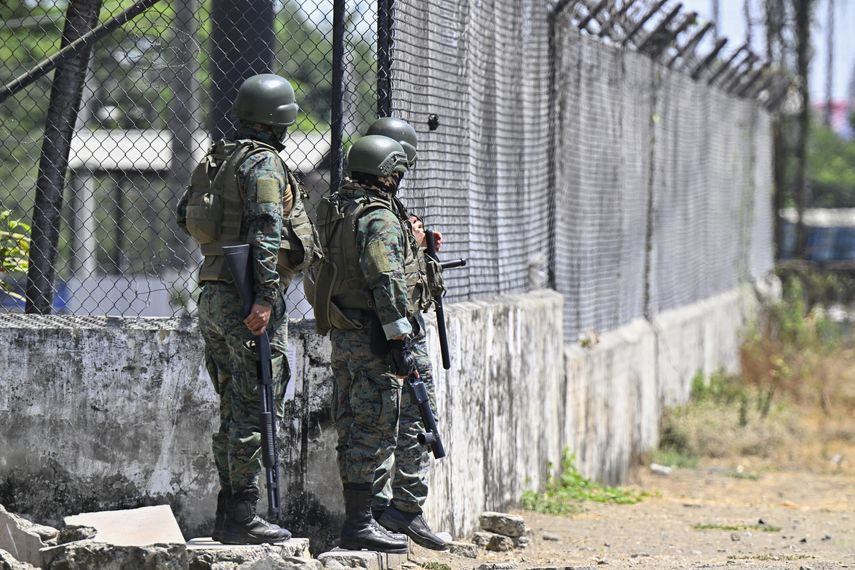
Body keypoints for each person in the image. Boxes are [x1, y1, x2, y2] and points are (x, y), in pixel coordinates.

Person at [177, 73, 314, 545]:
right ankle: (243, 517)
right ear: (278, 120)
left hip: (213, 292)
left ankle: (229, 515)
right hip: (246, 298)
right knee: (255, 408)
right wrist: (265, 298)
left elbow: (184, 215)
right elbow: (266, 232)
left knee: (234, 408)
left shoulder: (218, 158)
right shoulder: (264, 163)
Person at [307, 133, 443, 553]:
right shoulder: (378, 217)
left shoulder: (338, 207)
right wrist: (399, 339)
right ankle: (360, 524)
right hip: (375, 335)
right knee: (374, 428)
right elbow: (386, 279)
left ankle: (366, 520)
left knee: (355, 425)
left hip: (348, 330)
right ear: (386, 174)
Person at [363, 118, 448, 551]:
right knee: (415, 415)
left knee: (381, 420)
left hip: (373, 327)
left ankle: (384, 509)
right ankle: (404, 509)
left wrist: (419, 244)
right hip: (394, 328)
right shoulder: (377, 212)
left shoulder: (364, 204)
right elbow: (386, 272)